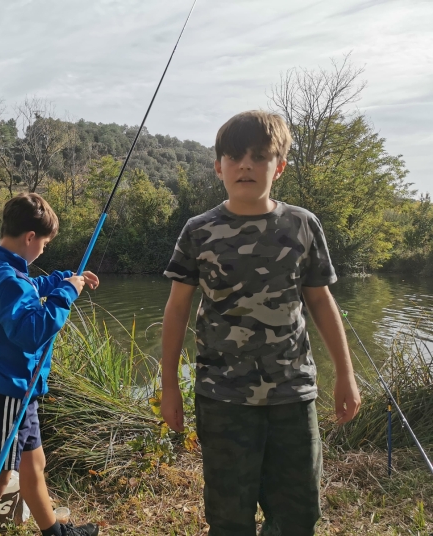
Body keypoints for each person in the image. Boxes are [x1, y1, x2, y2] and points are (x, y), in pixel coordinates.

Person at [160, 110, 361, 536]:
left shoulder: (303, 226)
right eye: (233, 157)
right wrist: (169, 386)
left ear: (280, 166)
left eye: (259, 156)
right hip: (222, 398)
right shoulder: (199, 231)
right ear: (218, 167)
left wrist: (346, 374)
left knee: (298, 516)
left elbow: (322, 302)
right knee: (229, 519)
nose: (246, 165)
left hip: (293, 394)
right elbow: (176, 309)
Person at [0, 193, 100, 536]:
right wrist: (66, 295)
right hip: (9, 392)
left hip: (21, 389)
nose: (43, 250)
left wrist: (66, 278)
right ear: (29, 238)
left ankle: (55, 532)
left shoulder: (5, 270)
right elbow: (31, 332)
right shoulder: (8, 279)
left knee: (34, 465)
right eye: (45, 244)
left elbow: (30, 287)